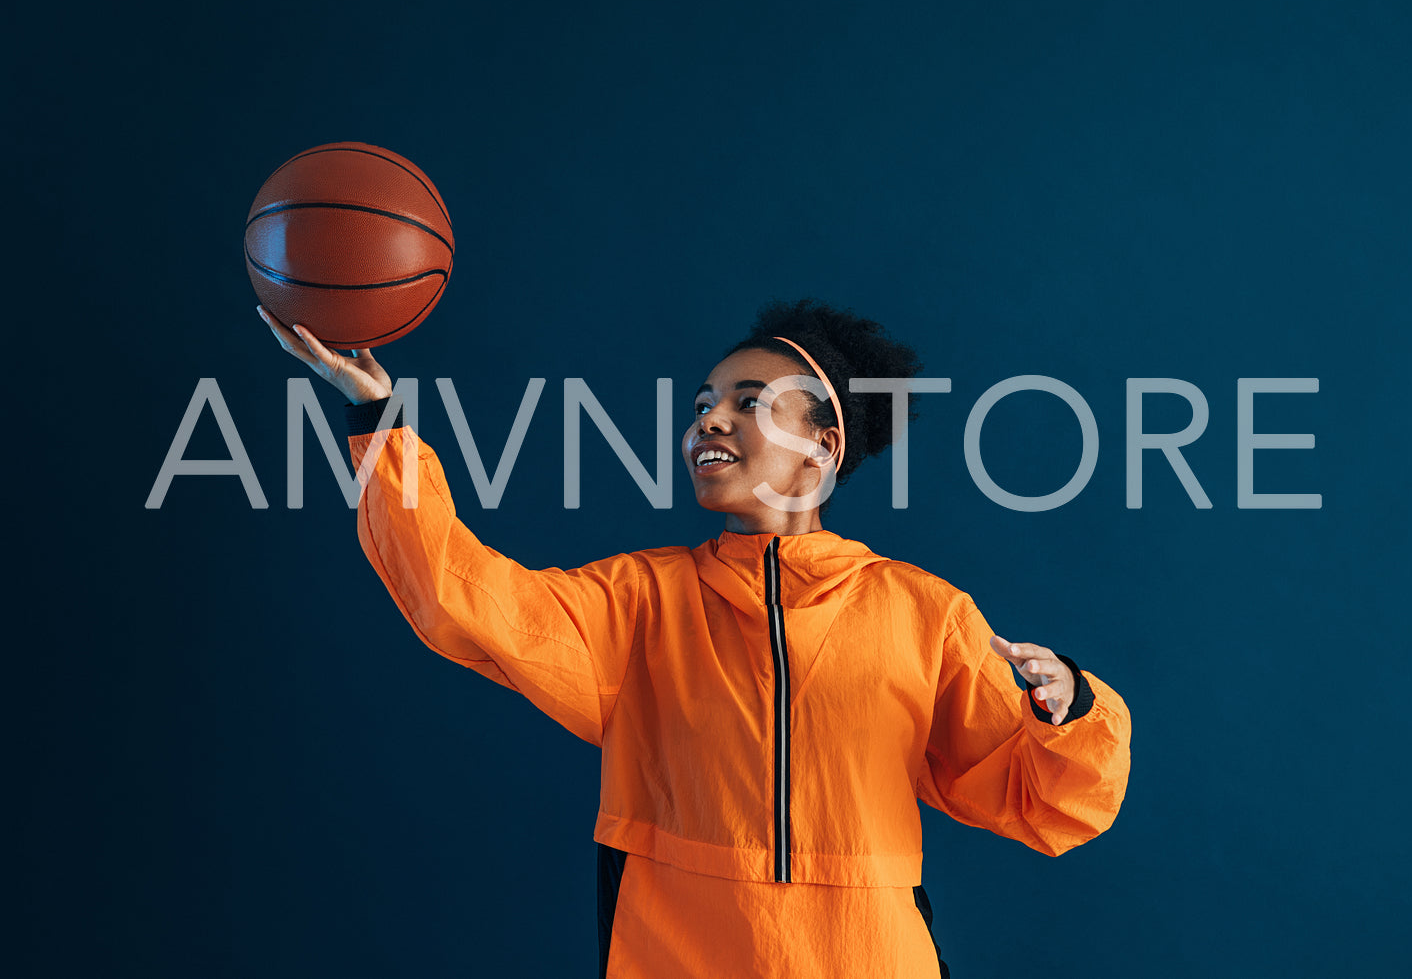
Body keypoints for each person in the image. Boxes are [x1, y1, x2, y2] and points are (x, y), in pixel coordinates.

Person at [259, 297, 1132, 979]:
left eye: (748, 403)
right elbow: (458, 595)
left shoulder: (922, 611)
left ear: (821, 449)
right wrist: (378, 416)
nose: (709, 421)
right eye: (704, 404)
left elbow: (1040, 803)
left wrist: (1073, 710)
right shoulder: (640, 601)